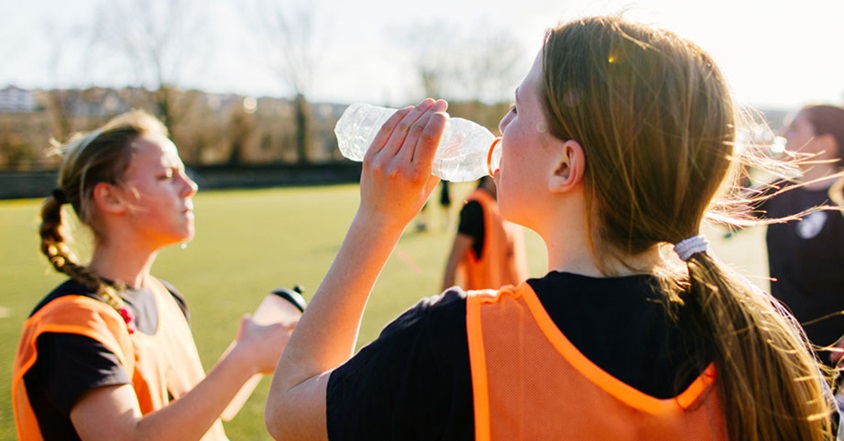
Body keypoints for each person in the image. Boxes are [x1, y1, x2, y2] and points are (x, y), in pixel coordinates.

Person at [265, 15, 836, 440]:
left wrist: (376, 221)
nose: (499, 126)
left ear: (565, 164)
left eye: (516, 110)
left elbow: (288, 411)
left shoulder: (456, 340)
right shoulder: (764, 349)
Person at [12, 110, 293, 440]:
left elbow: (194, 411)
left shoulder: (165, 296)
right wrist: (243, 361)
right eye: (166, 176)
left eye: (184, 174)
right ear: (111, 197)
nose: (190, 187)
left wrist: (252, 353)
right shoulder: (73, 322)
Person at [755, 104, 844, 367]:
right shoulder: (781, 188)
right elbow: (730, 216)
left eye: (794, 127)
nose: (783, 133)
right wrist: (741, 162)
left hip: (831, 355)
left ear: (825, 143)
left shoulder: (839, 201)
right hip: (783, 345)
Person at [441, 175, 527, 291]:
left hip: (513, 304)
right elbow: (453, 261)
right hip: (485, 305)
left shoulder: (507, 204)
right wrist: (446, 305)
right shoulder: (476, 207)